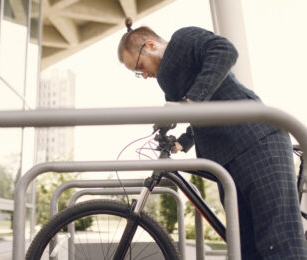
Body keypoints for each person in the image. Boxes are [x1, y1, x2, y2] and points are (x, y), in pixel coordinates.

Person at [117, 18, 307, 259]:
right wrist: (182, 142)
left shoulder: (182, 40)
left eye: (138, 67)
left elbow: (224, 50)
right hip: (227, 159)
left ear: (150, 45)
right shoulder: (169, 81)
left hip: (256, 142)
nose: (143, 75)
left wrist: (191, 103)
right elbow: (205, 112)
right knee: (245, 248)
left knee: (278, 241)